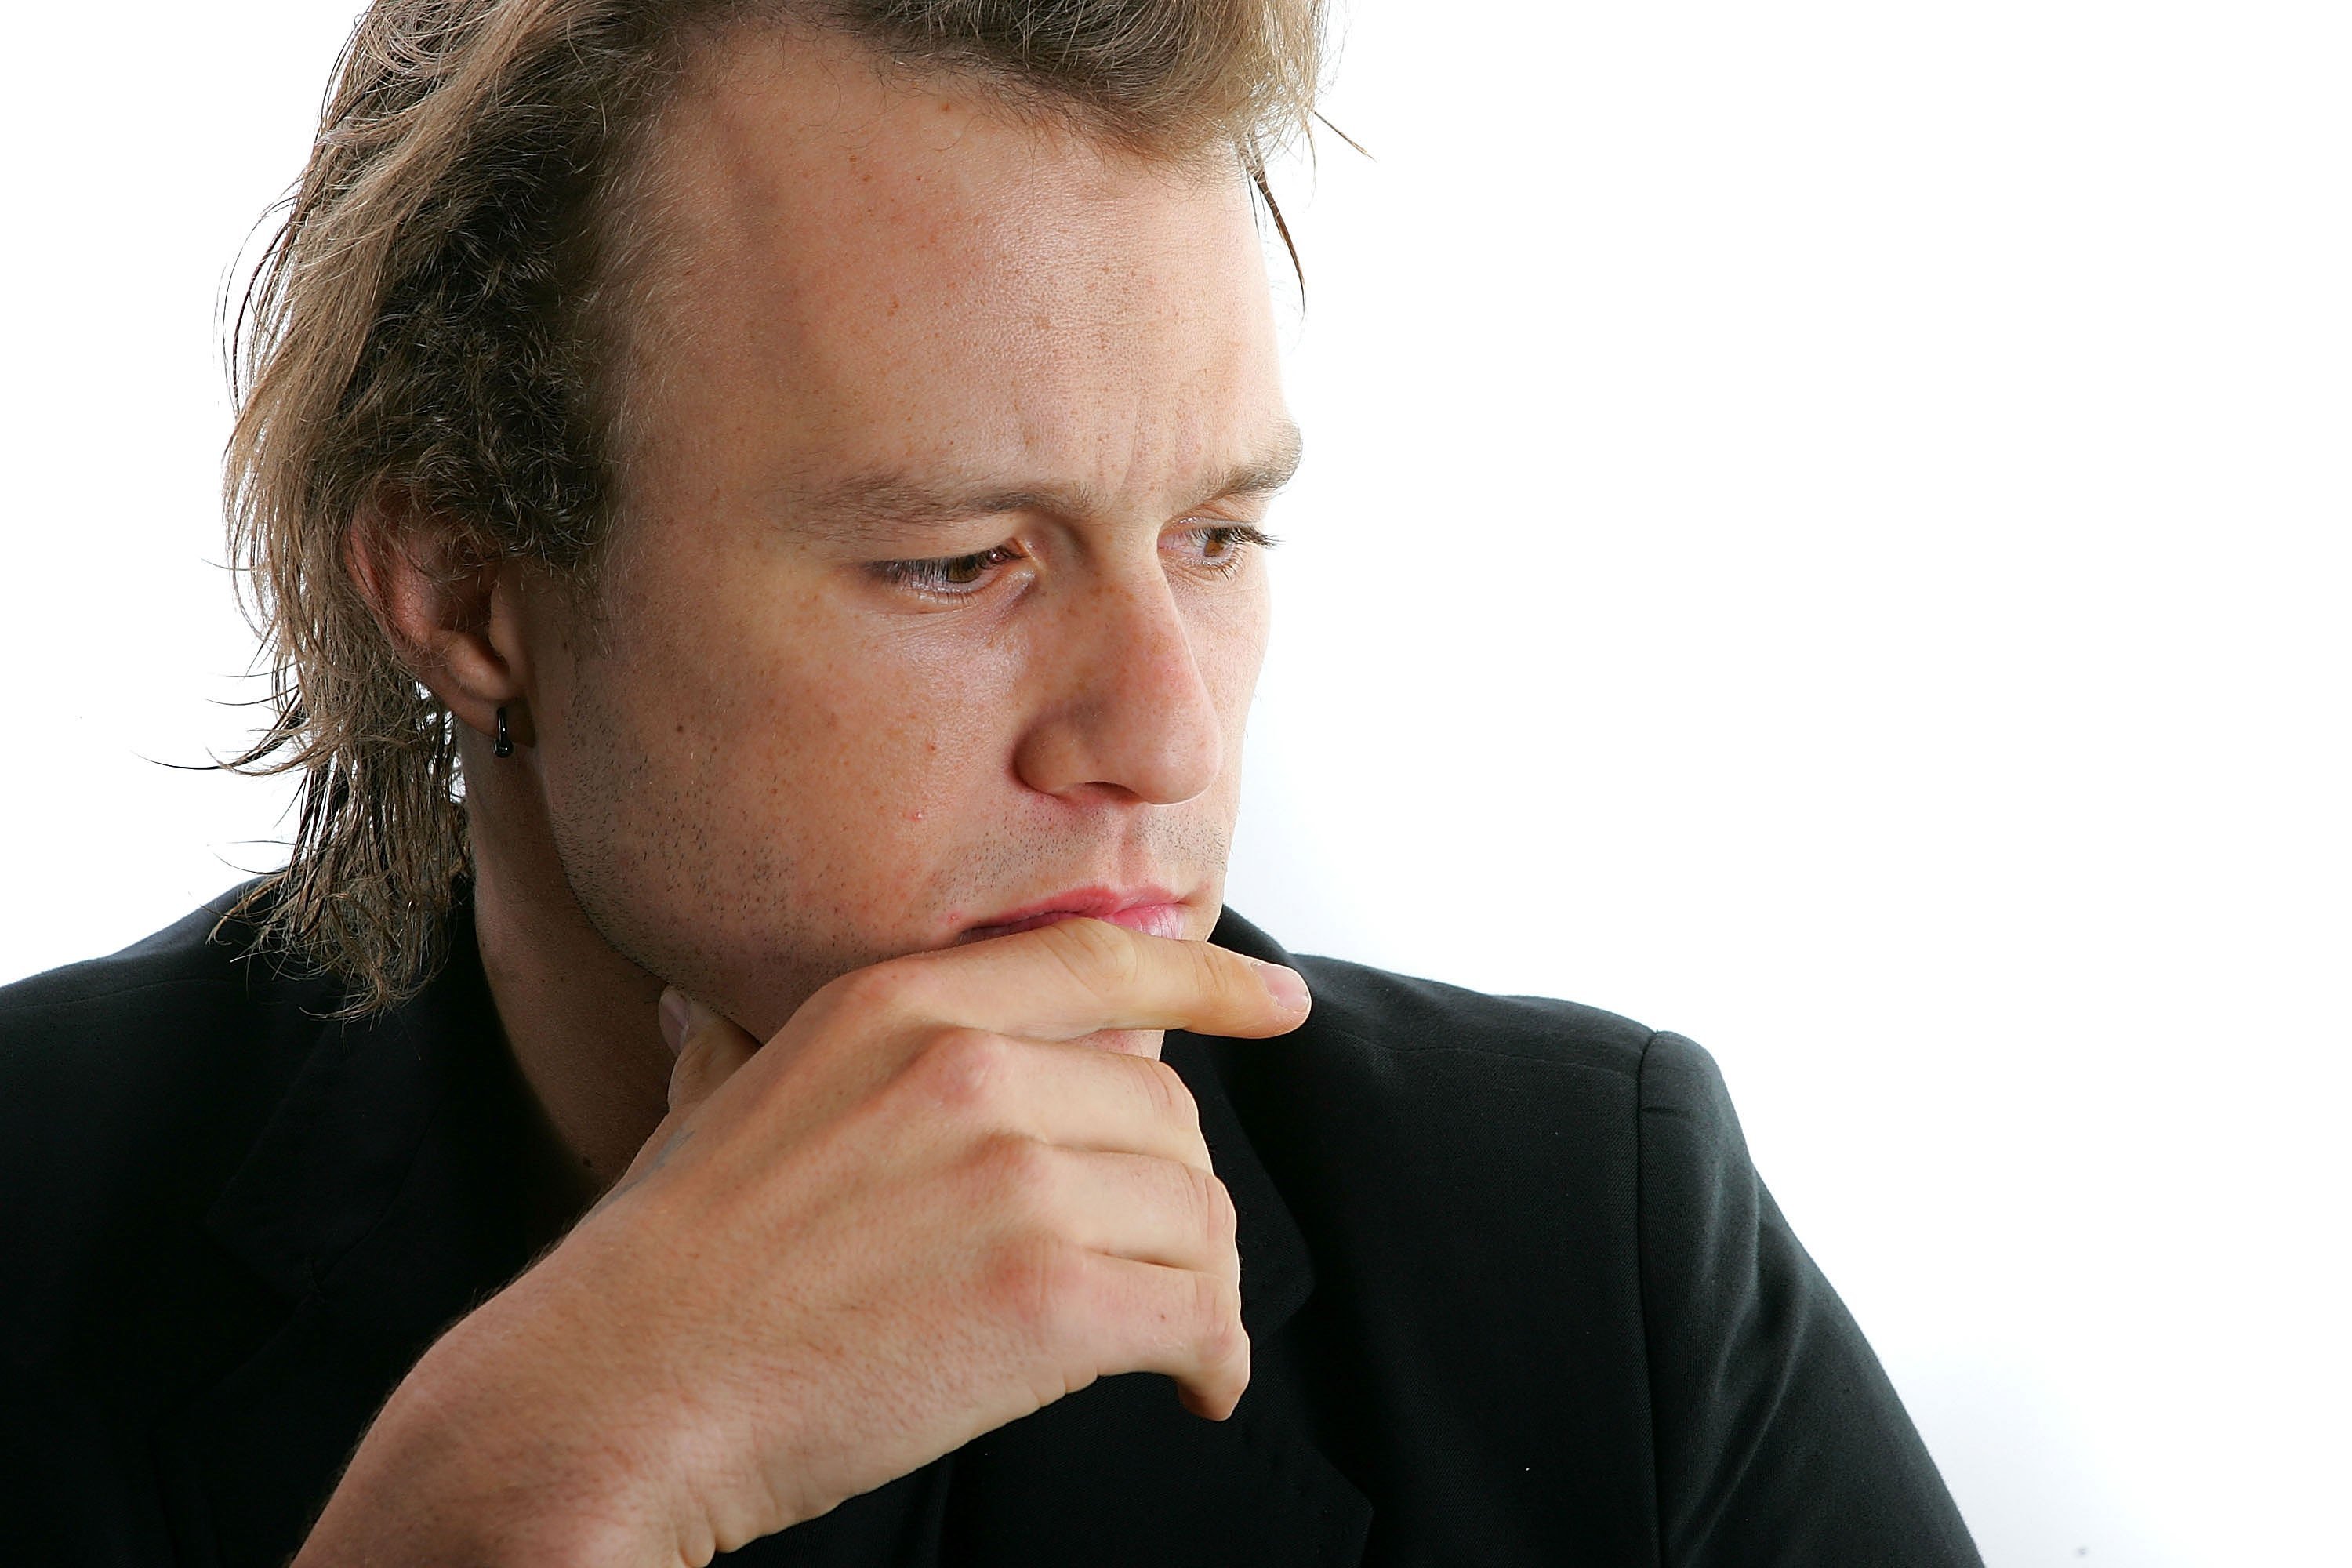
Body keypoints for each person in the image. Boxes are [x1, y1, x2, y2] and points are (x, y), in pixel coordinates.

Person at [0, 2, 1983, 1563]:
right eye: (958, 559)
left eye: (1215, 535)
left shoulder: (1586, 1250)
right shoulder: (36, 1208)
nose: (1168, 737)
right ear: (461, 584)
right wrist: (520, 1500)